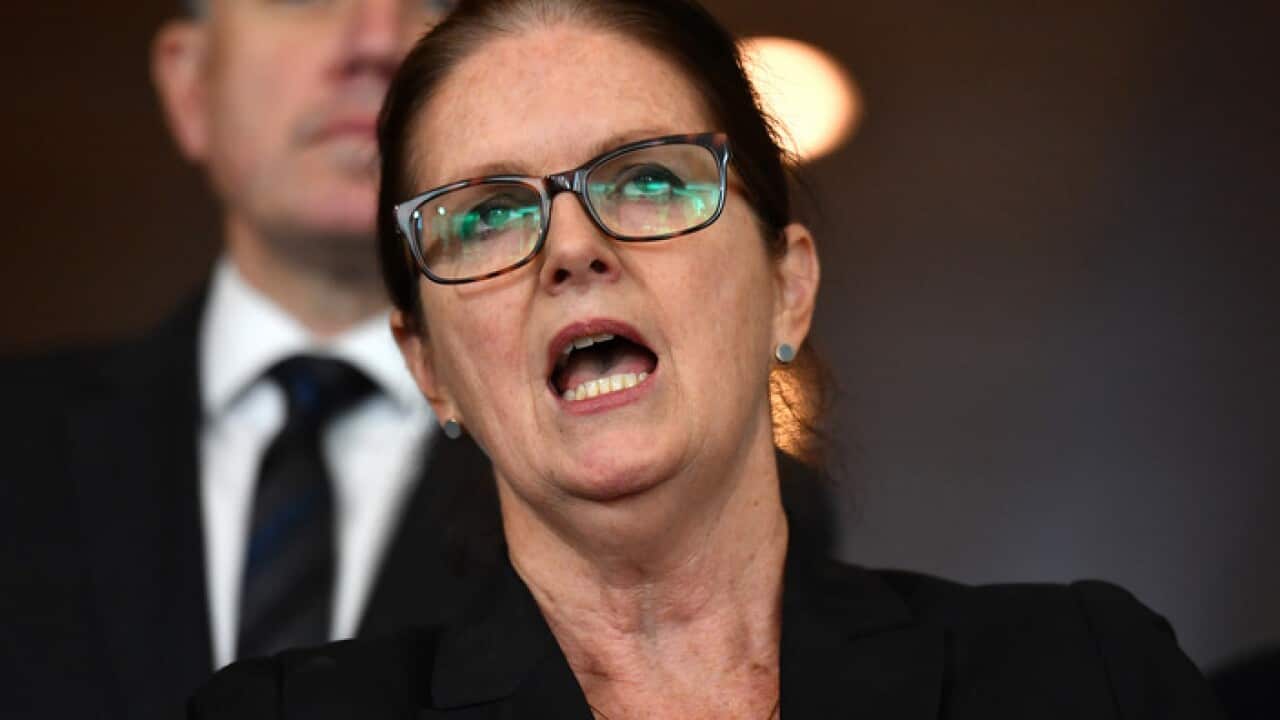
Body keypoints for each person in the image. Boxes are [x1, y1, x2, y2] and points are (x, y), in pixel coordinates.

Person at [188, 0, 1224, 717]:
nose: (572, 248)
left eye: (645, 179)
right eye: (490, 212)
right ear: (428, 368)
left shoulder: (1086, 676)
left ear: (787, 285)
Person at [0, 2, 504, 719]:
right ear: (189, 82)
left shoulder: (585, 466)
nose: (375, 41)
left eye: (433, 3)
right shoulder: (17, 446)